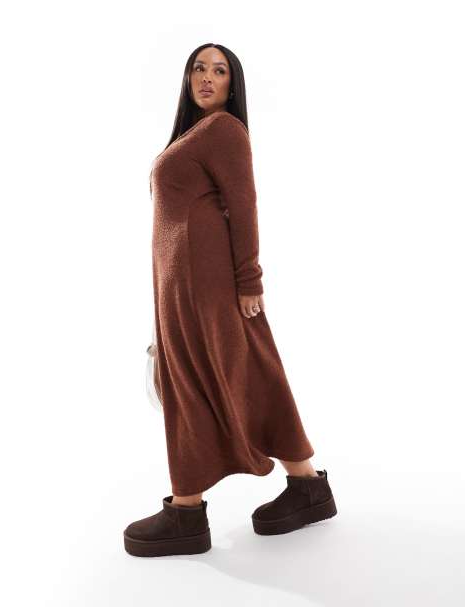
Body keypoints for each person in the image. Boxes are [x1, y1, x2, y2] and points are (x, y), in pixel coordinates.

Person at [123, 43, 337, 558]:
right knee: (211, 380)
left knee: (237, 375)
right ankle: (302, 487)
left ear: (232, 84)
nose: (207, 77)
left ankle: (188, 511)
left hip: (213, 283)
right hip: (180, 287)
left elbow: (244, 204)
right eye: (199, 68)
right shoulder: (193, 133)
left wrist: (249, 280)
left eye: (219, 71)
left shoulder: (224, 130)